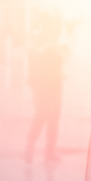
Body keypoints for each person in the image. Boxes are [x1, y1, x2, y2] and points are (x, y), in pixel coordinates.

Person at [24, 14, 65, 164]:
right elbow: (50, 63)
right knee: (44, 115)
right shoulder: (47, 44)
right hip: (48, 86)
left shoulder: (41, 42)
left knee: (51, 117)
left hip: (48, 85)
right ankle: (32, 148)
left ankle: (48, 150)